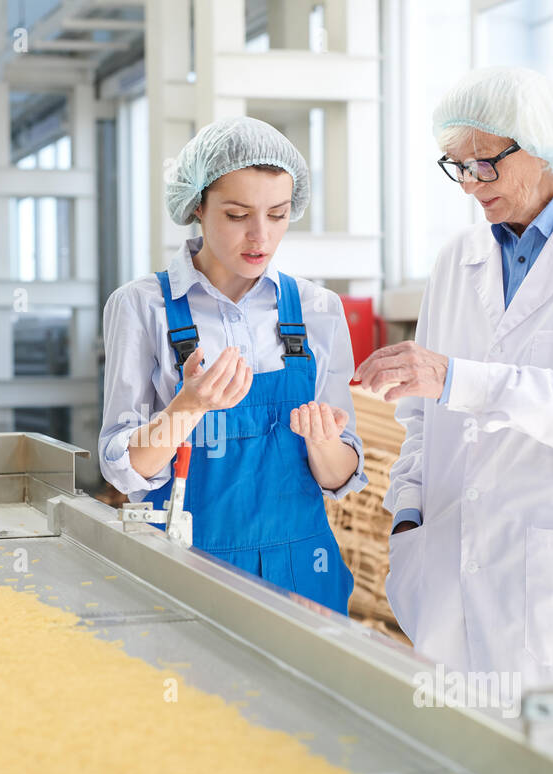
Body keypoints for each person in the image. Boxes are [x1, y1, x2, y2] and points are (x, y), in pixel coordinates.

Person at [357, 66, 553, 697]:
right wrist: (408, 519)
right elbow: (421, 420)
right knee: (459, 765)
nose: (471, 184)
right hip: (448, 563)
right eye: (456, 166)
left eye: (485, 164)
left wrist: (463, 380)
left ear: (540, 144)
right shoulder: (456, 260)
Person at [99, 116, 367, 614]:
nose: (260, 236)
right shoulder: (142, 306)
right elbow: (122, 471)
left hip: (303, 575)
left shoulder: (317, 309)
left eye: (279, 214)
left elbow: (341, 475)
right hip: (186, 572)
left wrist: (322, 441)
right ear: (197, 206)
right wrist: (186, 408)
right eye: (238, 214)